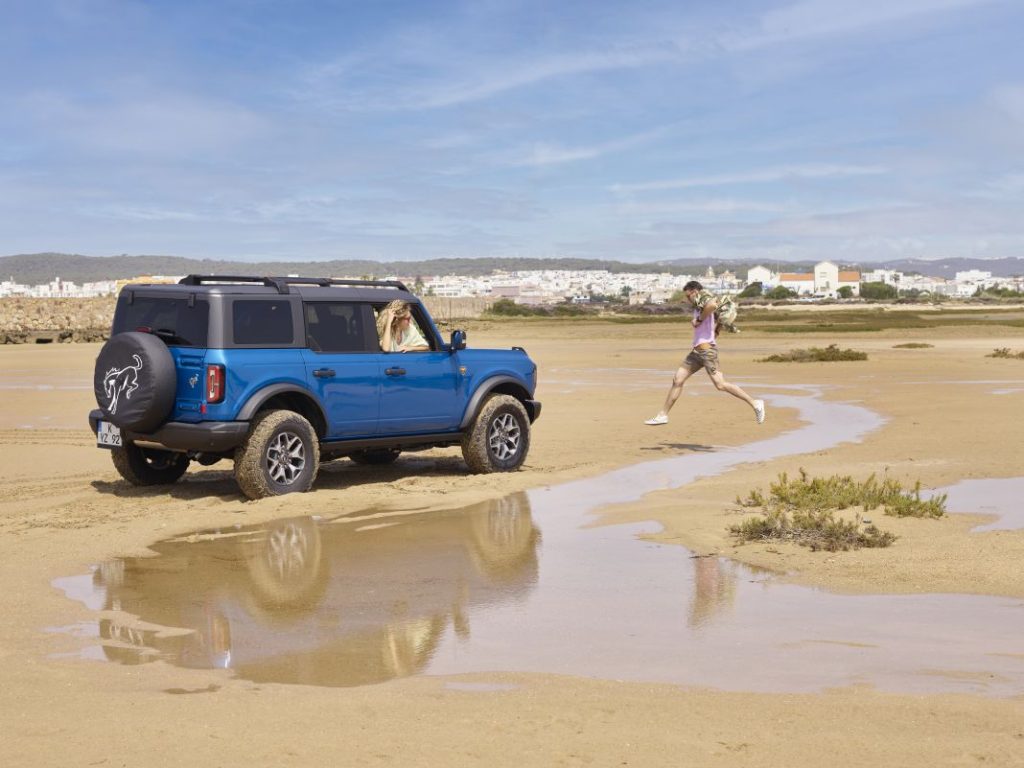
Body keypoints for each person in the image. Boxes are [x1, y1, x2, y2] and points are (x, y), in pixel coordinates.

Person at [645, 280, 765, 426]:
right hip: (696, 352)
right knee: (677, 380)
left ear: (694, 291)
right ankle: (663, 415)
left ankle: (755, 403)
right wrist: (714, 330)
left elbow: (713, 305)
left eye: (688, 296)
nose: (688, 299)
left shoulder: (706, 301)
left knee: (720, 385)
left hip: (707, 352)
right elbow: (717, 317)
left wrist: (699, 320)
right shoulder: (700, 305)